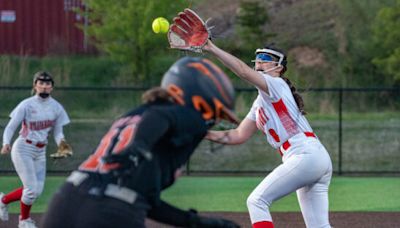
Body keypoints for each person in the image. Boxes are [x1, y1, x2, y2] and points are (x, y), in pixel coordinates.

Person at [41, 57, 240, 228]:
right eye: (213, 112)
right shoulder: (179, 115)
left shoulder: (136, 114)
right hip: (111, 213)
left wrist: (195, 221)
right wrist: (140, 144)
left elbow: (146, 199)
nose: (211, 119)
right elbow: (164, 117)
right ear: (197, 100)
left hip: (66, 199)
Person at [203, 40, 333, 228]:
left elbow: (242, 71)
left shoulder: (276, 84)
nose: (259, 63)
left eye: (266, 58)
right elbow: (239, 135)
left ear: (278, 67)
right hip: (312, 157)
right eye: (257, 59)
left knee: (257, 201)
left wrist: (211, 48)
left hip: (305, 154)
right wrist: (203, 133)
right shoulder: (260, 103)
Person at [0, 71, 71, 228]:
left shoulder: (56, 107)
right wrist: (6, 142)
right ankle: (24, 220)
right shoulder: (27, 104)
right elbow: (11, 127)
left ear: (52, 87)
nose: (44, 86)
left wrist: (62, 144)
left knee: (36, 191)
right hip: (23, 148)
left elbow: (58, 131)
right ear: (35, 85)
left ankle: (3, 201)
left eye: (47, 84)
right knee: (31, 189)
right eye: (41, 83)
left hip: (40, 151)